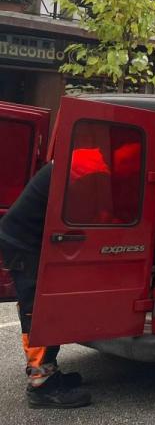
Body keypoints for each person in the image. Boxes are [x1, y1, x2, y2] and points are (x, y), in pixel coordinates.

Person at [0, 161, 91, 408]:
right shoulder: (80, 171)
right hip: (23, 244)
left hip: (25, 240)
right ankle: (42, 386)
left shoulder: (70, 163)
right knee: (38, 311)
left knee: (46, 307)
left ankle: (48, 370)